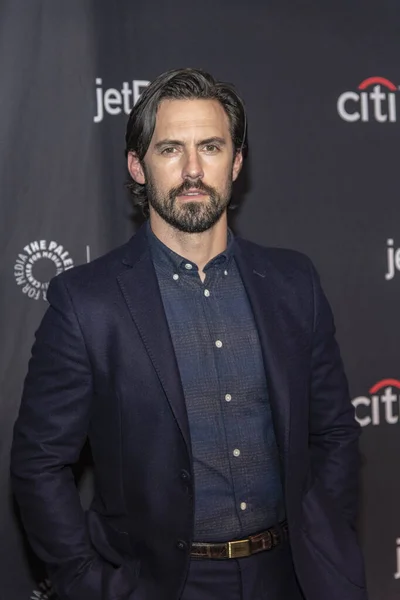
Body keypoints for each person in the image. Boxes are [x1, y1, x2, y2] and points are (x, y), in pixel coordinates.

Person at [10, 67, 367, 600]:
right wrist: (89, 584)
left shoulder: (294, 283)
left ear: (237, 162)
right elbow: (39, 462)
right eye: (172, 149)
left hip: (292, 577)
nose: (194, 169)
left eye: (212, 147)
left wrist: (325, 541)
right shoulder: (86, 303)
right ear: (138, 166)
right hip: (162, 585)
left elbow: (336, 433)